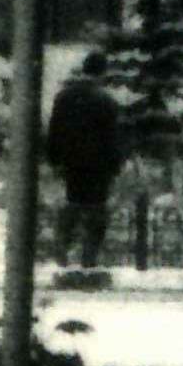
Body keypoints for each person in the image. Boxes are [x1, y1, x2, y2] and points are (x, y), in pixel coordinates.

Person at [43, 66, 128, 283]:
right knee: (97, 210)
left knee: (73, 204)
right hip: (99, 167)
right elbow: (114, 137)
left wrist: (54, 160)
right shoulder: (107, 102)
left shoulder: (64, 99)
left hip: (72, 164)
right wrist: (116, 165)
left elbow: (54, 131)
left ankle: (62, 252)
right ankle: (89, 258)